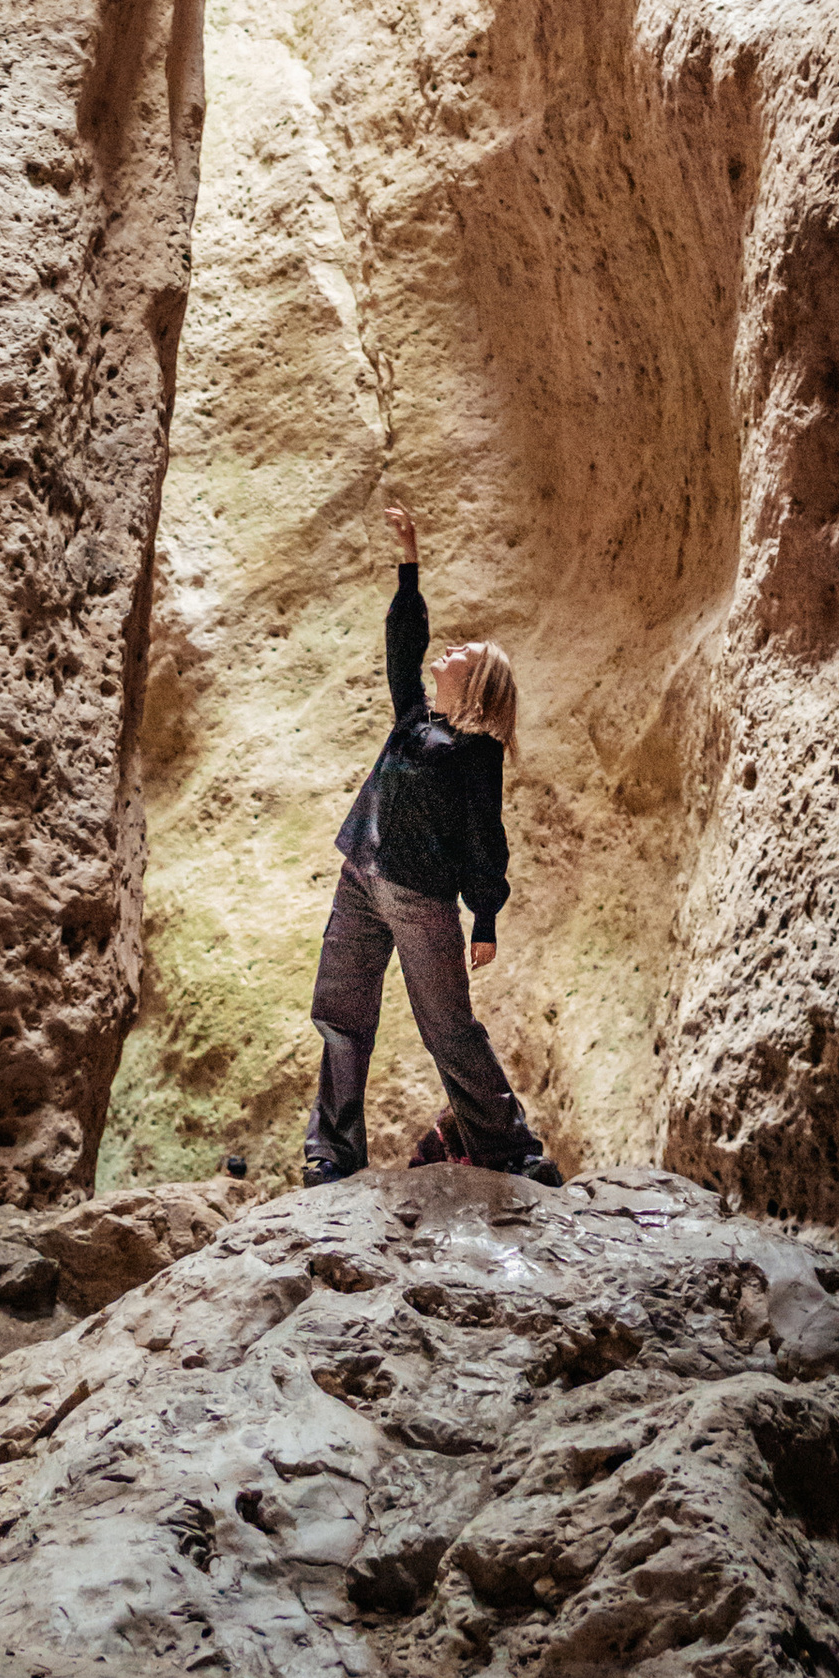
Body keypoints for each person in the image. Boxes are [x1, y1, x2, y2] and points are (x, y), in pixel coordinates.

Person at [303, 497, 557, 1186]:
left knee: (448, 1029)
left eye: (465, 654)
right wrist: (408, 565)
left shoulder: (476, 750)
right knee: (340, 1015)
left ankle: (512, 1151)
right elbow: (404, 647)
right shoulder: (415, 719)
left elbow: (485, 838)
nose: (450, 651)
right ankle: (331, 1155)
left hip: (420, 897)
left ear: (478, 682)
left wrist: (486, 917)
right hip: (361, 874)